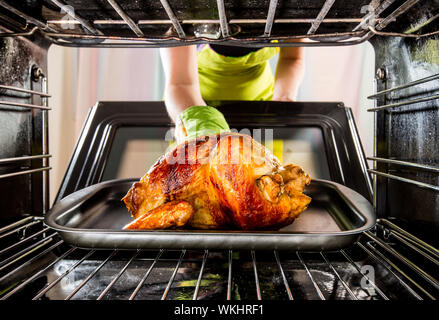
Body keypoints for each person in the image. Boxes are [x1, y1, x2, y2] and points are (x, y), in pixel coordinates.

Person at [160, 42, 305, 144]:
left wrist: (283, 100)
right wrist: (202, 133)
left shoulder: (287, 7)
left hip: (261, 105)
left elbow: (291, 58)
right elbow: (180, 83)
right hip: (192, 106)